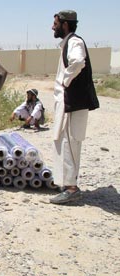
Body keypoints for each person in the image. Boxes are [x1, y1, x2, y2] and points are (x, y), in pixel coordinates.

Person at [49, 10, 99, 205]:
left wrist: (64, 80)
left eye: (55, 23)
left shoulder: (74, 42)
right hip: (68, 103)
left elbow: (78, 61)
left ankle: (72, 189)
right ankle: (66, 183)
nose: (52, 27)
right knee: (64, 141)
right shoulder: (68, 43)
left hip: (72, 103)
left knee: (70, 143)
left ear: (65, 24)